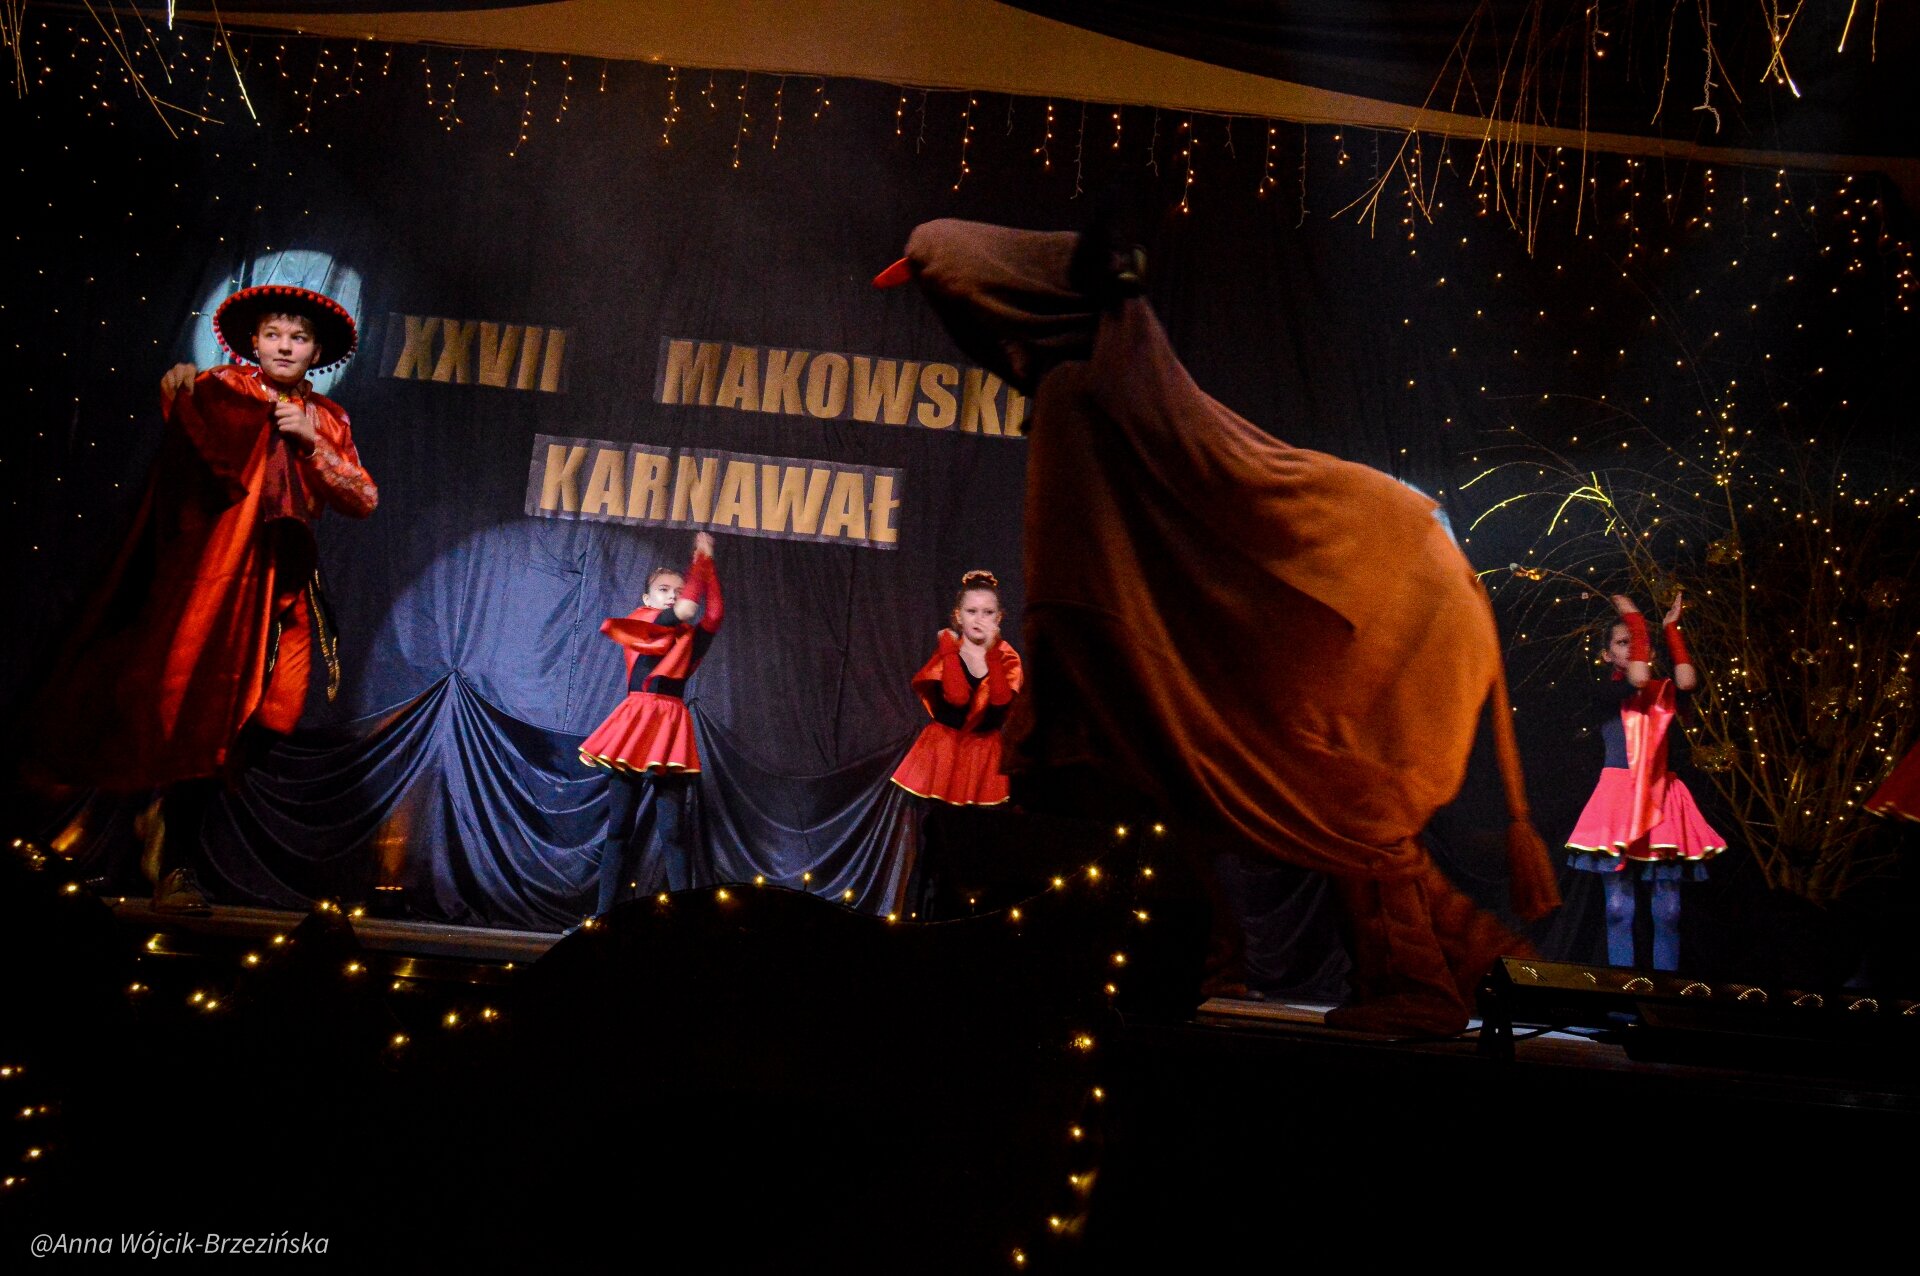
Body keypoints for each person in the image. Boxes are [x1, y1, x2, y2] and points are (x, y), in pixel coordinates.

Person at [874, 217, 1558, 1035]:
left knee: (1309, 787)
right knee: (1227, 784)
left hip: (1336, 605)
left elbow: (1074, 583)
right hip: (1323, 599)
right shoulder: (1115, 374)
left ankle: (1396, 976)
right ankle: (1404, 968)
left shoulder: (1080, 392)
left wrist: (1048, 712)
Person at [26, 284, 377, 910]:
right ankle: (175, 866)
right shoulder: (226, 387)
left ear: (317, 351)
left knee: (276, 713)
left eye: (298, 338)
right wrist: (180, 389)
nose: (285, 347)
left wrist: (311, 441)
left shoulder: (329, 417)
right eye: (274, 335)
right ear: (254, 343)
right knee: (203, 712)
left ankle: (164, 813)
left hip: (283, 582)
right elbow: (190, 434)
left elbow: (363, 499)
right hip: (217, 578)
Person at [1565, 592, 1726, 970]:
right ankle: (1624, 990)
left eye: (1639, 643)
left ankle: (1663, 994)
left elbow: (1687, 680)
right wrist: (1636, 621)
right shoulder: (1604, 690)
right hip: (1619, 798)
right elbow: (1635, 679)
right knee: (1619, 908)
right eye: (1623, 643)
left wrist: (1671, 630)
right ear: (1607, 655)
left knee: (1668, 911)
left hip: (1662, 796)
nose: (1635, 649)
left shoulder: (1664, 690)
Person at [580, 532, 724, 913]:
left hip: (670, 727)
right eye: (664, 590)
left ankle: (683, 919)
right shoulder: (643, 621)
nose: (673, 595)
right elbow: (689, 608)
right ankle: (604, 916)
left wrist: (707, 567)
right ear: (647, 599)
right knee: (619, 828)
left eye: (677, 590)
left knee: (673, 831)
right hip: (636, 723)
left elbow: (712, 615)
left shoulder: (685, 637)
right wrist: (699, 561)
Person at [890, 570, 1024, 916]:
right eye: (971, 611)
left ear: (999, 618)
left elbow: (999, 706)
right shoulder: (947, 653)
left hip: (983, 761)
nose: (979, 619)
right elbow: (955, 701)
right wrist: (950, 652)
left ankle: (968, 919)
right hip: (942, 758)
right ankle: (921, 918)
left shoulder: (1007, 658)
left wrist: (991, 655)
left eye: (988, 612)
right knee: (932, 848)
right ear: (958, 616)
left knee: (977, 852)